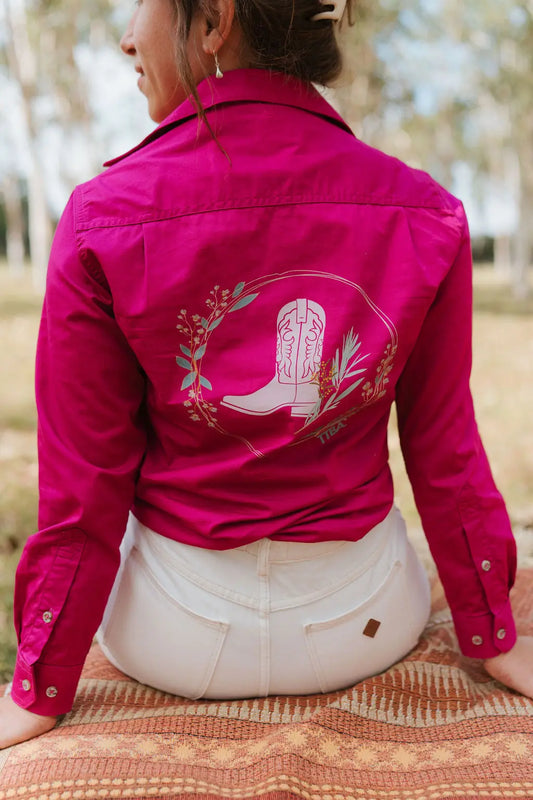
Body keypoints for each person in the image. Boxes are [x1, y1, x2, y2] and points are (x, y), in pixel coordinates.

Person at [1, 0, 532, 750]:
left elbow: (81, 487)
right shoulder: (426, 211)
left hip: (168, 636)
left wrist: (41, 684)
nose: (126, 36)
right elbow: (444, 454)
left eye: (141, 5)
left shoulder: (100, 217)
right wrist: (491, 630)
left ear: (214, 20)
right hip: (364, 621)